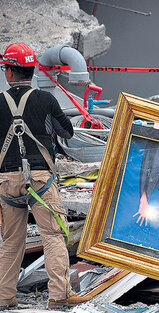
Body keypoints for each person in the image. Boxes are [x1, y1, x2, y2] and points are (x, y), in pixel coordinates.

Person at [0, 42, 91, 310]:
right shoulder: (46, 99)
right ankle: (58, 296)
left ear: (9, 73)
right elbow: (67, 133)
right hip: (41, 179)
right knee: (52, 235)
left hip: (7, 181)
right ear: (33, 70)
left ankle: (4, 298)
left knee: (10, 241)